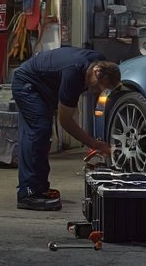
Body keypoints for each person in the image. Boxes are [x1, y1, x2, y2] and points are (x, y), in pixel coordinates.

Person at [11, 46, 122, 211]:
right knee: (38, 131)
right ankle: (28, 193)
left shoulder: (98, 62)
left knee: (41, 134)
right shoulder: (73, 75)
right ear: (97, 72)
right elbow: (66, 121)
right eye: (98, 86)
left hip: (43, 86)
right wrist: (96, 144)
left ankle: (40, 187)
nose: (97, 91)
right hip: (27, 84)